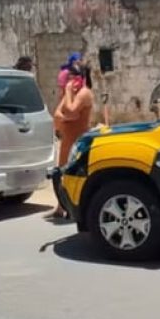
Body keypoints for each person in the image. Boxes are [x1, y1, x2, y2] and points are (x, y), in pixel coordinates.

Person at [49, 66, 94, 219]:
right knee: (61, 175)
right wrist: (65, 115)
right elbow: (57, 114)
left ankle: (75, 208)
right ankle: (61, 206)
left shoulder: (84, 94)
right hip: (67, 140)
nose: (68, 83)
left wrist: (68, 94)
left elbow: (72, 112)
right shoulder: (72, 95)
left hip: (77, 142)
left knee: (75, 176)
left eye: (70, 78)